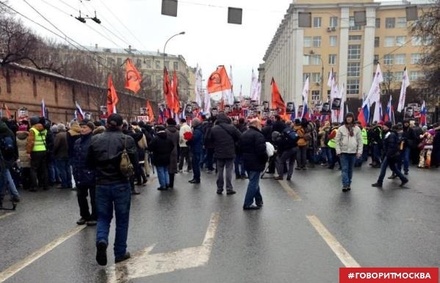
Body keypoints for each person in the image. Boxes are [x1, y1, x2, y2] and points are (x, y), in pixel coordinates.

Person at [86, 113, 137, 266]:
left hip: (101, 184)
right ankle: (120, 253)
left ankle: (102, 240)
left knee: (103, 218)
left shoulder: (95, 139)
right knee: (122, 220)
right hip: (121, 183)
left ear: (106, 123)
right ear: (122, 125)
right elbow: (134, 162)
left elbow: (89, 163)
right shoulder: (127, 139)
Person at [239, 118, 268, 210]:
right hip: (256, 161)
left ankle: (259, 200)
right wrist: (265, 160)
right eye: (260, 124)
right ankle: (247, 203)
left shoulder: (244, 134)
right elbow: (261, 150)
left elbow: (239, 147)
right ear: (256, 125)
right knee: (253, 182)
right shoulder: (258, 135)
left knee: (254, 181)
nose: (261, 126)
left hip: (246, 160)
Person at [209, 113, 241, 195]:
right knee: (229, 170)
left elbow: (210, 139)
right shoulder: (232, 127)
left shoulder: (214, 128)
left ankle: (219, 188)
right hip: (230, 151)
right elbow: (240, 136)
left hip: (218, 152)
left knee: (220, 171)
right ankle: (229, 188)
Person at [72, 120, 96, 226]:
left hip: (92, 172)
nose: (82, 129)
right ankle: (84, 215)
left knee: (94, 197)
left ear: (91, 129)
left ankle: (95, 216)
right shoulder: (77, 142)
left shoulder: (94, 140)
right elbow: (75, 156)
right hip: (79, 172)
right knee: (81, 196)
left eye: (85, 127)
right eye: (81, 127)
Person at [372, 122, 409, 188]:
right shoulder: (389, 134)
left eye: (384, 126)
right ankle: (404, 179)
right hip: (391, 154)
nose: (383, 127)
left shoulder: (391, 134)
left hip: (390, 155)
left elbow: (391, 146)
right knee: (393, 168)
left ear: (388, 127)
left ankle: (379, 182)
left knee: (383, 168)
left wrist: (387, 155)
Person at [335, 112, 363, 192]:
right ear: (345, 118)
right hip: (343, 152)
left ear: (353, 118)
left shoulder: (357, 129)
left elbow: (360, 141)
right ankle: (345, 184)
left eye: (350, 117)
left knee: (350, 170)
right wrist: (338, 151)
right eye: (347, 117)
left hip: (353, 152)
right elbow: (337, 141)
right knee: (344, 169)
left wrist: (359, 152)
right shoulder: (341, 128)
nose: (349, 119)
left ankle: (349, 183)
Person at [26, 116, 49, 192]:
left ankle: (34, 186)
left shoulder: (32, 130)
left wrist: (28, 152)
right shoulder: (44, 129)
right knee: (44, 168)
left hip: (35, 151)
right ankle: (45, 185)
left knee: (33, 169)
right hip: (43, 150)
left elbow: (30, 142)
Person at [0, 120, 20, 206]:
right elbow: (15, 145)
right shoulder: (9, 131)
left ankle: (14, 194)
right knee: (6, 175)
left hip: (2, 158)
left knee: (6, 175)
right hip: (9, 158)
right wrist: (15, 157)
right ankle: (13, 194)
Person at [149, 125, 174, 190]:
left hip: (158, 157)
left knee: (160, 171)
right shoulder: (168, 138)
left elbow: (150, 147)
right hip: (167, 156)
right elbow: (172, 146)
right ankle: (167, 183)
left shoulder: (155, 139)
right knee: (166, 170)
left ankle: (163, 185)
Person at [187, 118, 204, 184]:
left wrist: (189, 141)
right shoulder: (198, 129)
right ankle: (195, 177)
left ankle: (196, 178)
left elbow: (194, 139)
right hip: (197, 148)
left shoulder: (197, 131)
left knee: (195, 164)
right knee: (195, 164)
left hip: (196, 149)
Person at [165, 118, 179, 189]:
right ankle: (171, 183)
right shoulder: (177, 131)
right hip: (175, 150)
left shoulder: (166, 131)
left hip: (167, 150)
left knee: (167, 167)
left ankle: (167, 183)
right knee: (173, 168)